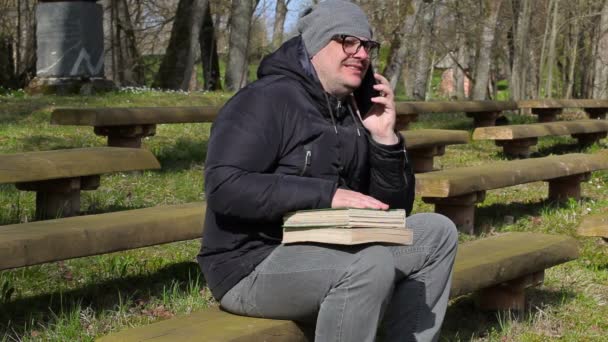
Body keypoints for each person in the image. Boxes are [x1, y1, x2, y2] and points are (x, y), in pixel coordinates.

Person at [197, 1, 458, 341]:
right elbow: (224, 186)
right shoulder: (265, 100)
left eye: (367, 45)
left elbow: (392, 213)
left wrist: (384, 140)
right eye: (348, 41)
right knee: (370, 265)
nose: (361, 54)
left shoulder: (354, 110)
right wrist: (327, 195)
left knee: (438, 233)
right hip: (251, 265)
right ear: (317, 43)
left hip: (329, 247)